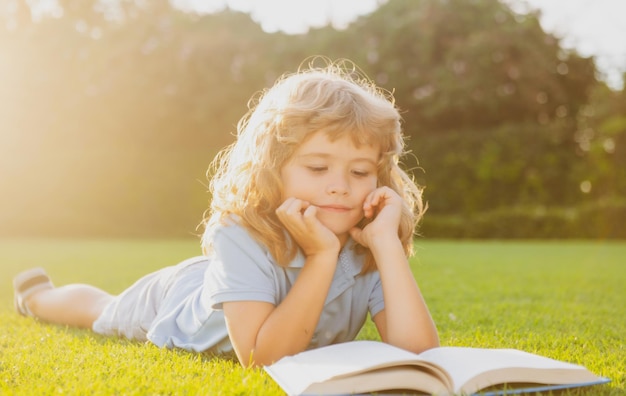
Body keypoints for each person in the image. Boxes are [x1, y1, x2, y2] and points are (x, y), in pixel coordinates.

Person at [13, 58, 439, 367]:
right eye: (317, 167)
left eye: (360, 171)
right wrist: (322, 256)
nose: (340, 186)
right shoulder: (240, 232)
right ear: (274, 168)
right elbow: (261, 357)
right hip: (180, 302)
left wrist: (387, 245)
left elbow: (420, 353)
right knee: (101, 311)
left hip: (229, 280)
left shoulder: (368, 241)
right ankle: (36, 296)